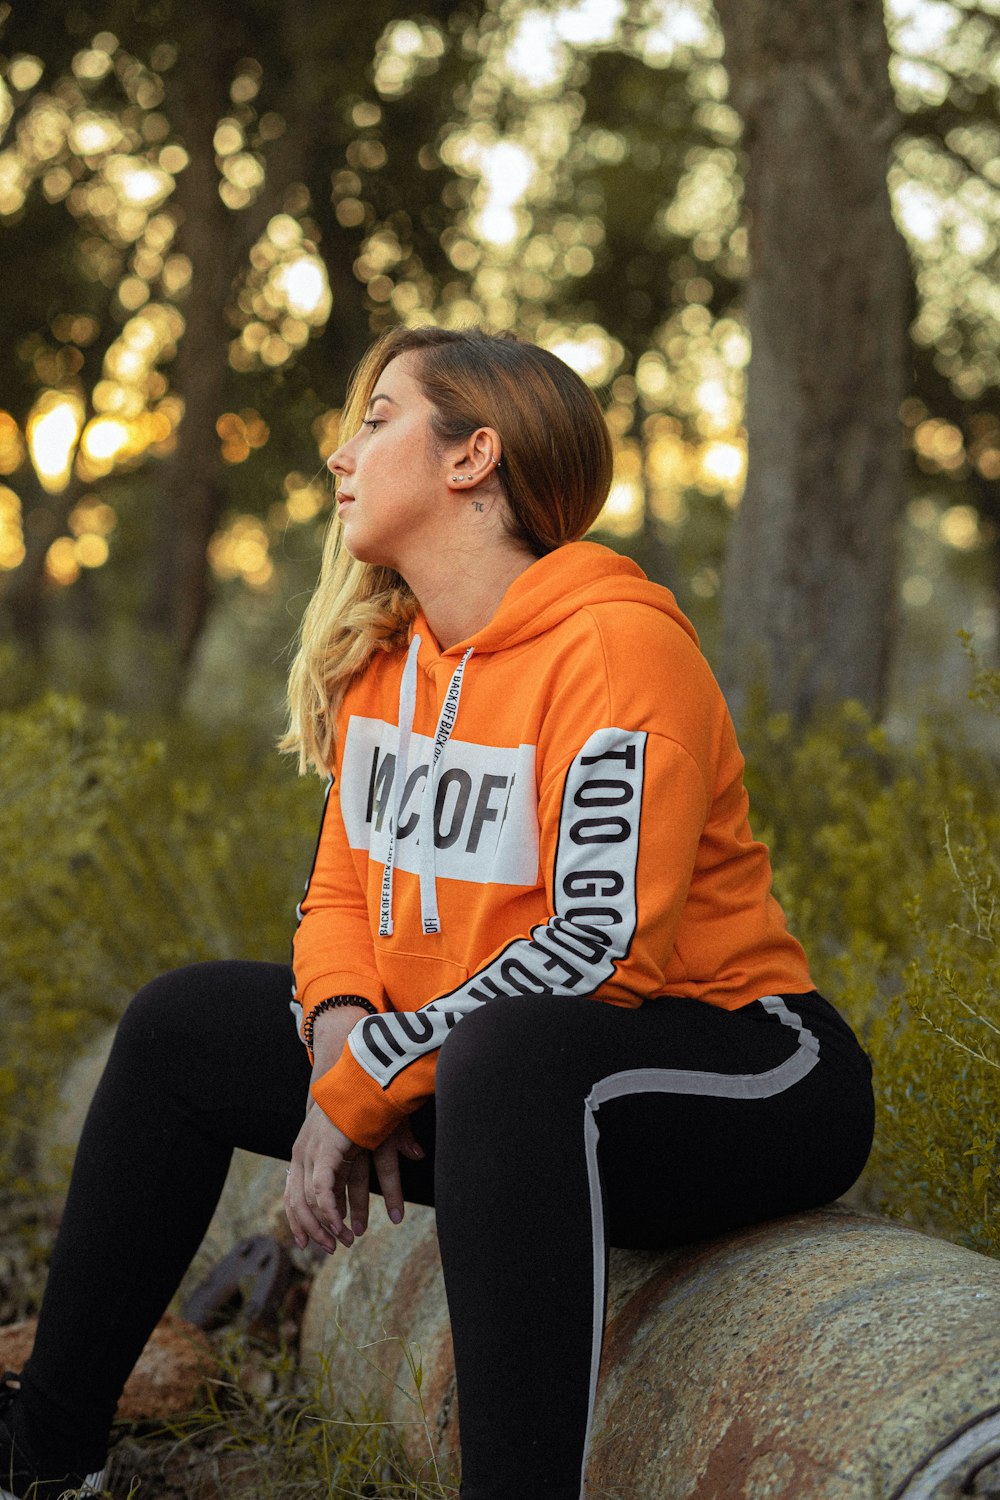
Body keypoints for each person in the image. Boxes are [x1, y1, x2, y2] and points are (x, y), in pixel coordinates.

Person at [1, 326, 875, 1500]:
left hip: (741, 1073)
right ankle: (46, 1462)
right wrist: (337, 1041)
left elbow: (596, 948)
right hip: (490, 1075)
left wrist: (371, 1087)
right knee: (179, 1027)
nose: (339, 455)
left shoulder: (617, 649)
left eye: (376, 418)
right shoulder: (390, 662)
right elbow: (340, 894)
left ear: (472, 458)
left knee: (509, 1054)